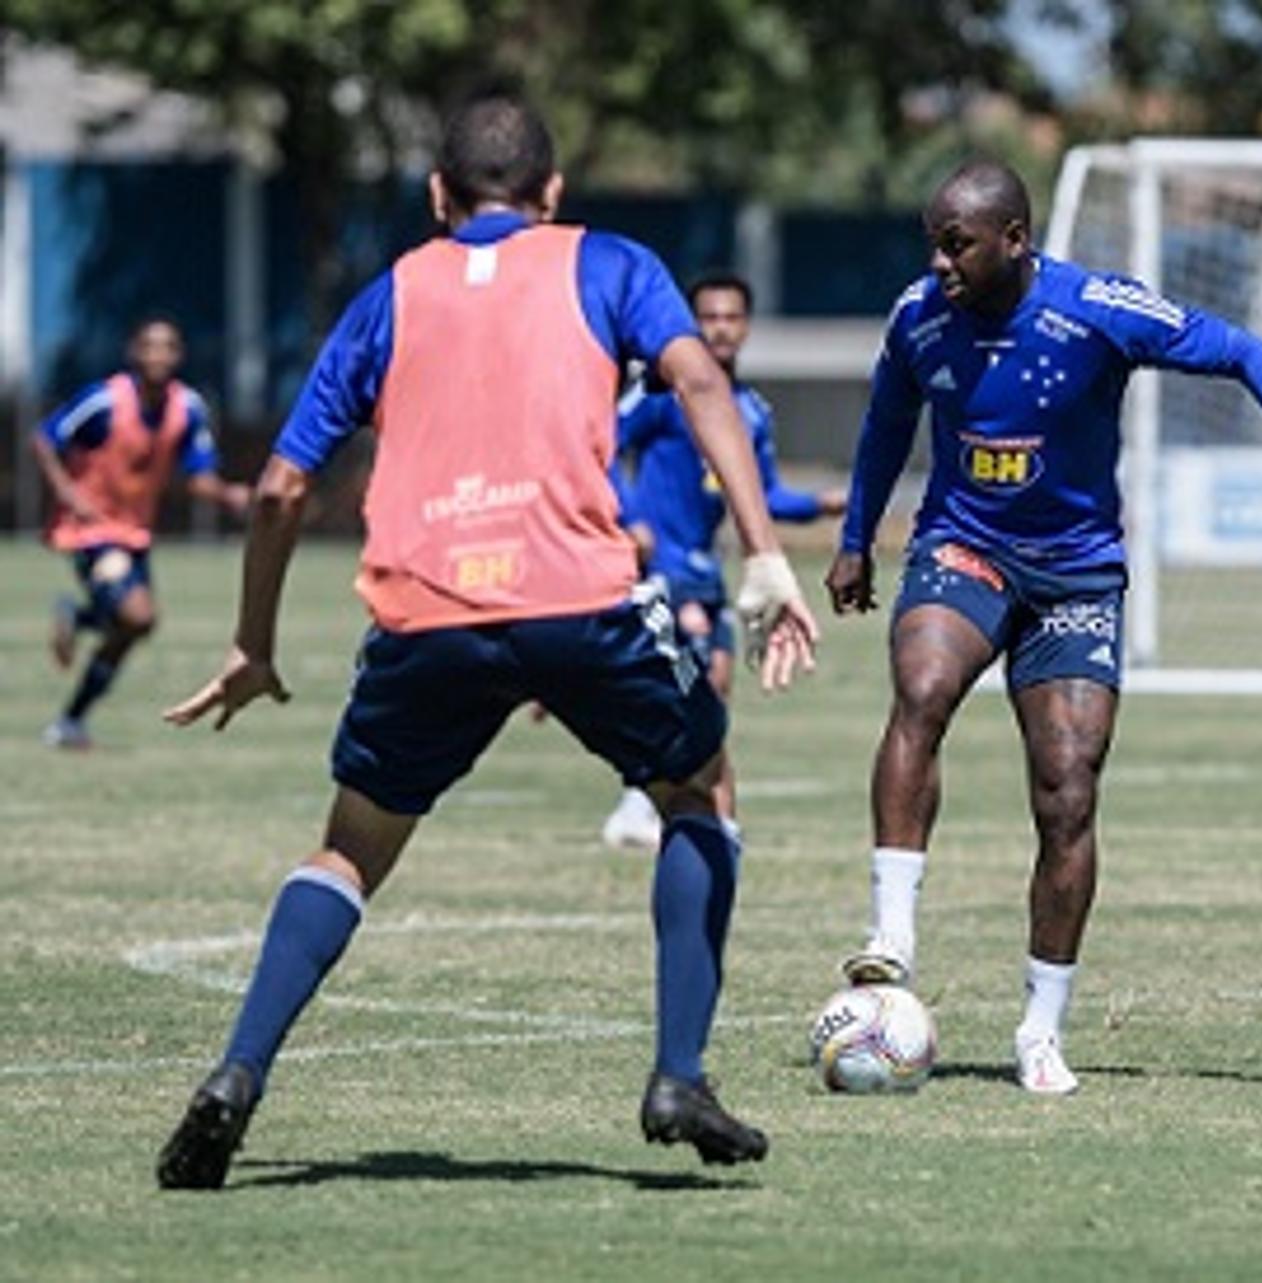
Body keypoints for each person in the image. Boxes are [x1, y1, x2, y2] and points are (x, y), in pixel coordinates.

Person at [152, 92, 817, 1190]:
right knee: (698, 786)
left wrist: (253, 642)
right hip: (577, 603)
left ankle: (237, 1073)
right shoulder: (608, 262)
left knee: (351, 849)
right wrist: (766, 554)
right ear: (553, 194)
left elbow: (276, 487)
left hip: (426, 612)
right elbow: (698, 377)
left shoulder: (391, 293)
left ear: (436, 197)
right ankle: (679, 1074)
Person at [826, 159, 1262, 1094]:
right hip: (963, 547)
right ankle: (892, 930)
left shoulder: (1097, 309)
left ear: (1015, 240)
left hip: (1077, 575)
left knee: (1067, 791)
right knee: (923, 689)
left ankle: (1039, 1031)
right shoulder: (917, 318)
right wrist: (857, 538)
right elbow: (887, 421)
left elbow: (1244, 350)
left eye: (958, 244)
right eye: (933, 242)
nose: (940, 263)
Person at [601, 272, 847, 849]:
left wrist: (822, 504)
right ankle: (647, 804)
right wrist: (630, 516)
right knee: (696, 681)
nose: (720, 328)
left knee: (716, 687)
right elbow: (603, 444)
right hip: (661, 565)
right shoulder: (662, 393)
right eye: (709, 317)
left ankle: (653, 800)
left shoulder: (751, 410)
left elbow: (761, 497)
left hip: (708, 570)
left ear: (746, 325)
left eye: (731, 318)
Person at [33, 317, 251, 749]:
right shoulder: (103, 401)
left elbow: (196, 476)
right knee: (137, 615)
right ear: (134, 352)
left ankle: (70, 722)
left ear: (179, 355)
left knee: (132, 629)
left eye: (168, 346)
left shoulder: (187, 408)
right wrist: (67, 493)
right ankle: (76, 619)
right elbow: (44, 439)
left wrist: (230, 495)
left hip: (133, 532)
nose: (158, 355)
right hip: (90, 529)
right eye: (150, 346)